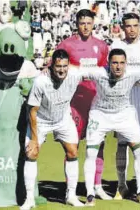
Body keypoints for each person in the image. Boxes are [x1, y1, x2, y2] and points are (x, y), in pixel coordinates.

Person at [82, 48, 140, 206]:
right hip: (100, 115)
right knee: (90, 152)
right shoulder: (98, 72)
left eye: (122, 63)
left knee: (139, 150)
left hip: (124, 115)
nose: (118, 66)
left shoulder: (134, 72)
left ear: (126, 64)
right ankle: (89, 194)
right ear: (108, 63)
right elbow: (75, 72)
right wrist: (49, 68)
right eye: (114, 63)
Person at [56, 9, 111, 200]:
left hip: (96, 101)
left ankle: (97, 185)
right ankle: (69, 190)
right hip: (74, 102)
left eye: (89, 22)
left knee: (99, 144)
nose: (85, 26)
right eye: (82, 23)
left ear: (93, 23)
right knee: (72, 145)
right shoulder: (66, 45)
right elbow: (55, 66)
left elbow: (106, 70)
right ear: (77, 24)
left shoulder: (102, 46)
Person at [20, 49, 85, 210]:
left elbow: (95, 71)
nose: (61, 70)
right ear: (51, 66)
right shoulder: (40, 82)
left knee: (73, 152)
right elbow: (32, 112)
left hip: (63, 118)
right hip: (41, 120)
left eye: (64, 66)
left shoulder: (75, 74)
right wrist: (34, 139)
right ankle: (29, 199)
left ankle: (71, 196)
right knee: (31, 153)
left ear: (68, 65)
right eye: (58, 67)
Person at [110, 13, 140, 199]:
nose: (131, 29)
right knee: (122, 144)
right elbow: (114, 70)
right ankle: (121, 185)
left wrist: (137, 71)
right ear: (122, 27)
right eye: (128, 26)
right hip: (124, 103)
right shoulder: (117, 46)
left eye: (135, 25)